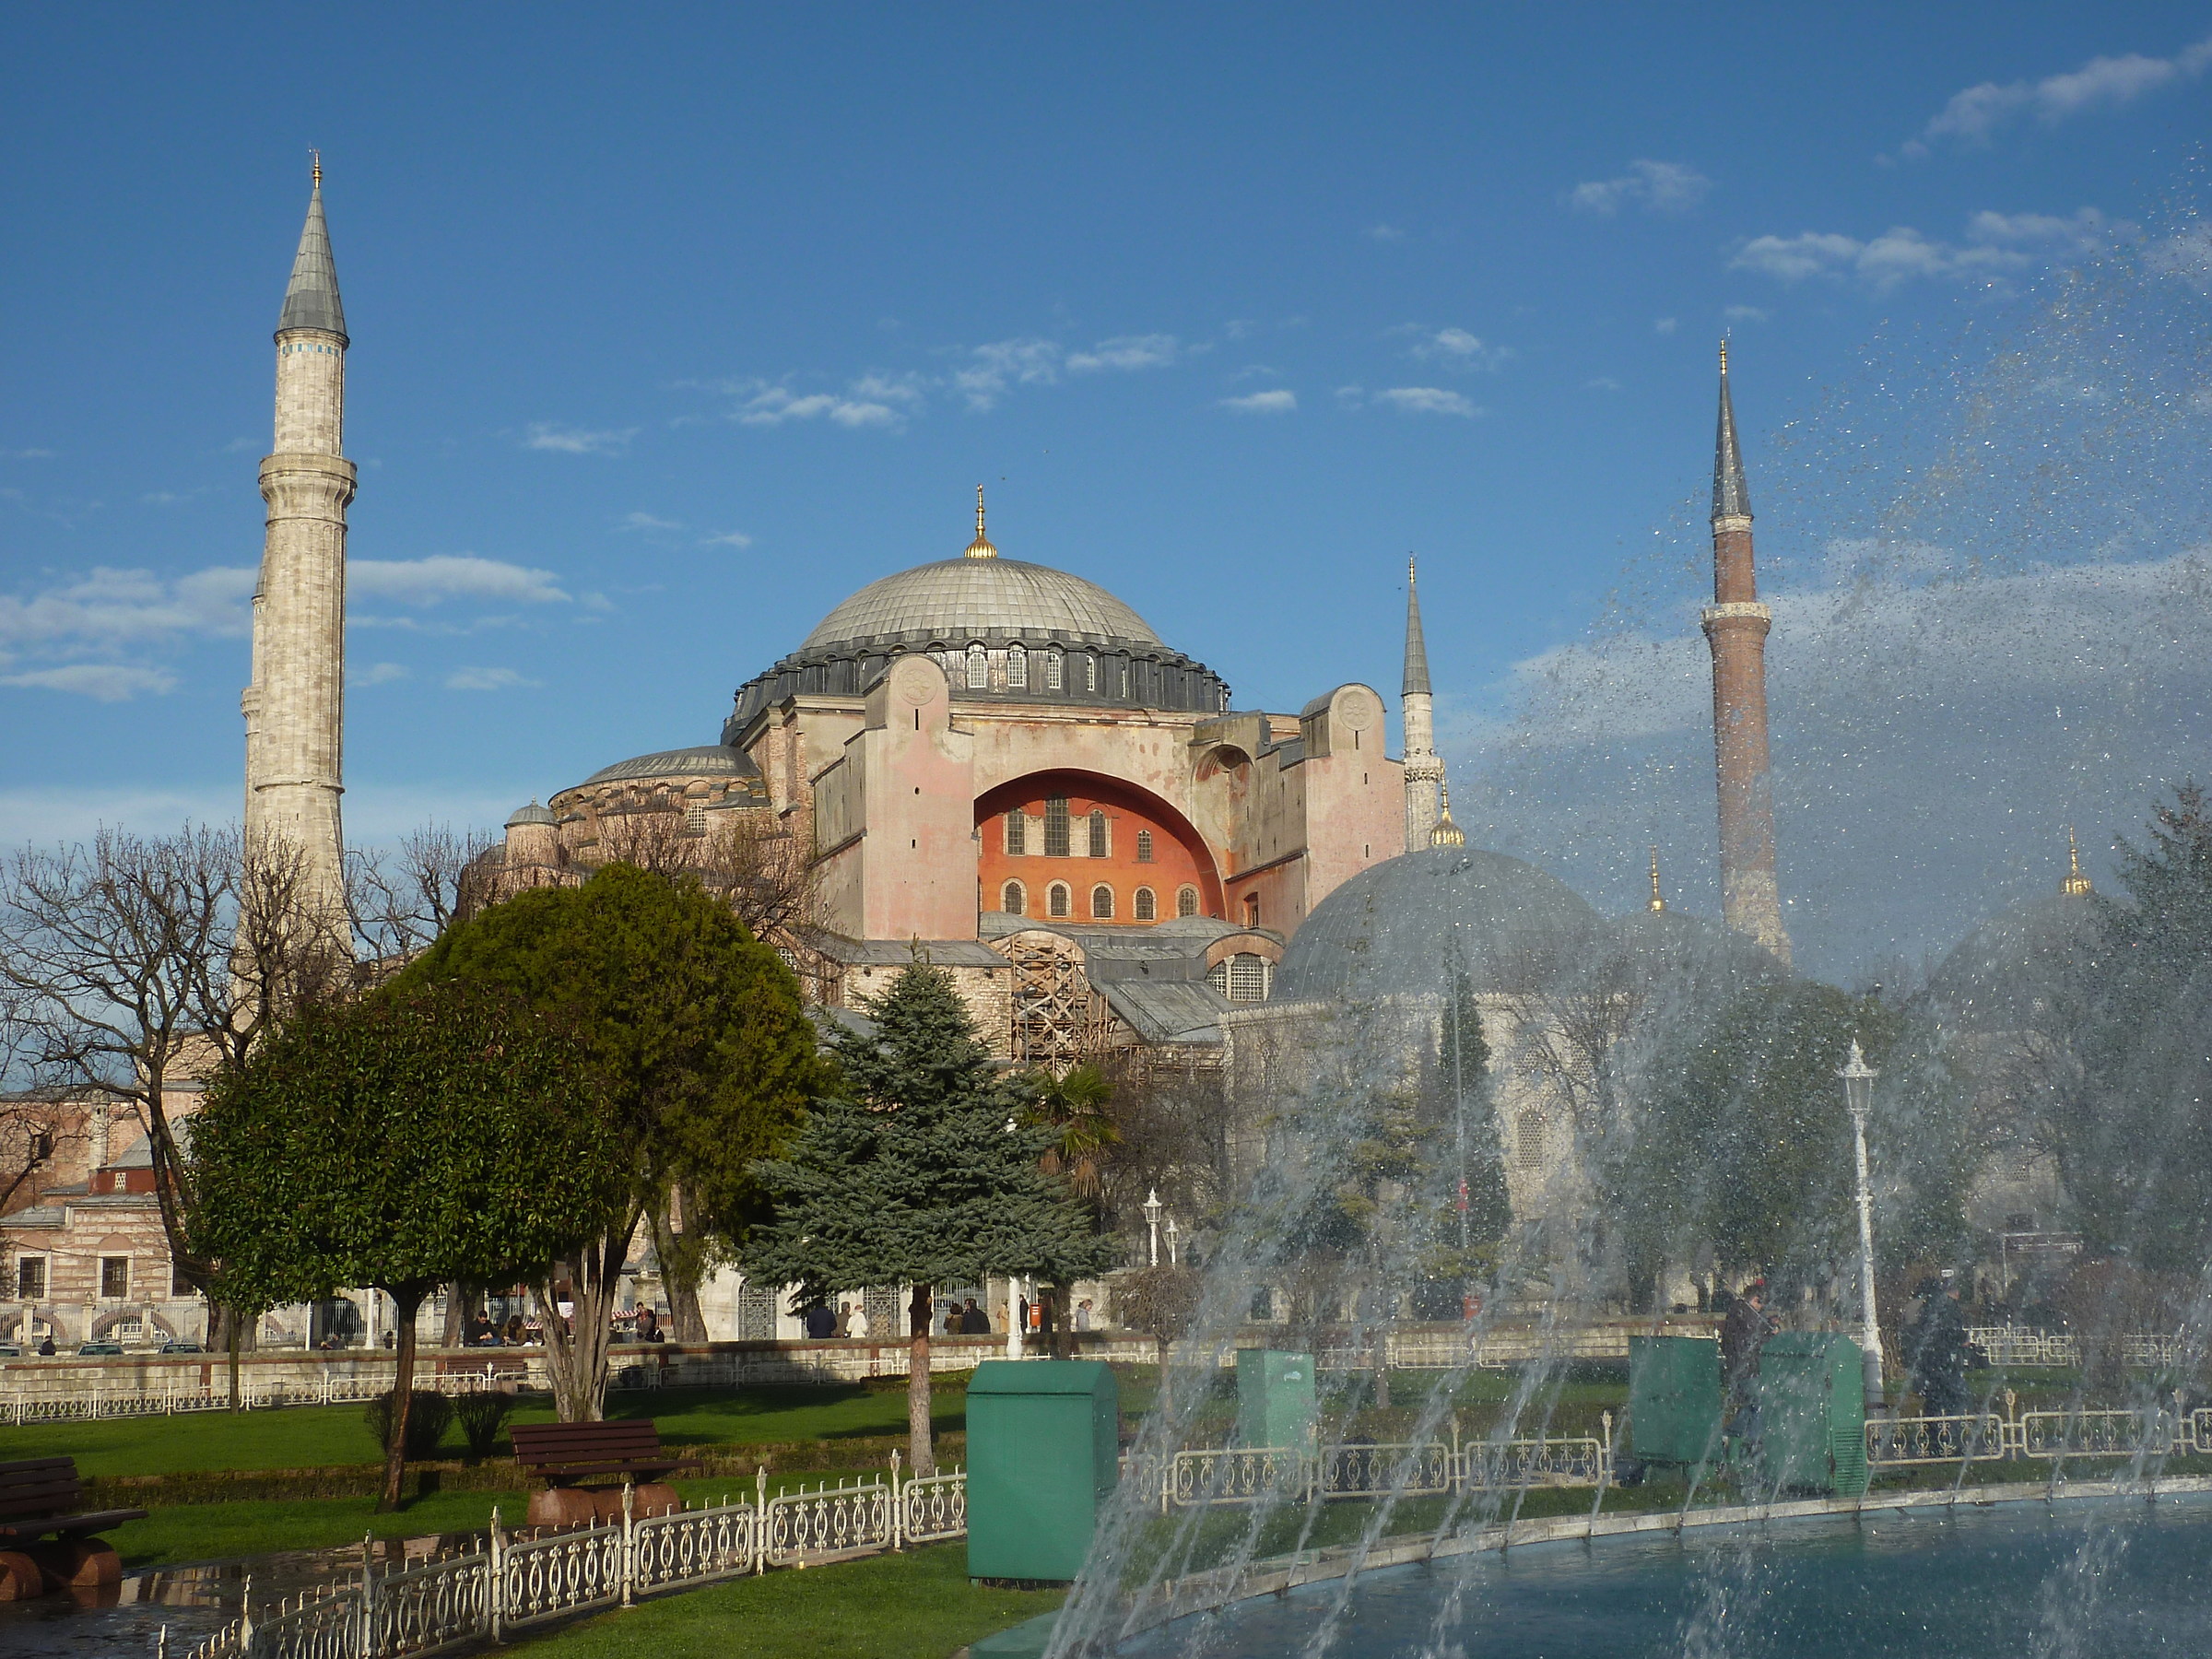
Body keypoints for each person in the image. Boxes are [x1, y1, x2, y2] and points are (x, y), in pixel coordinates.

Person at [1720, 1278, 1774, 1446]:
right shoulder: (1745, 1313)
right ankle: (1754, 1443)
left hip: (1739, 1369)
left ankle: (1730, 1434)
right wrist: (1770, 1333)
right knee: (1759, 1404)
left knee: (1750, 1406)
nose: (1761, 1308)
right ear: (1754, 1300)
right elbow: (1755, 1338)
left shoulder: (1736, 1313)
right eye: (1760, 1303)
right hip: (1748, 1370)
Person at [1907, 1277, 1971, 1417]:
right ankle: (1952, 1430)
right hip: (1945, 1360)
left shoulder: (1926, 1308)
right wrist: (1963, 1339)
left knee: (1935, 1396)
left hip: (1931, 1360)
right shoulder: (1947, 1307)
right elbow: (1951, 1332)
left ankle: (1936, 1428)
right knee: (1956, 1396)